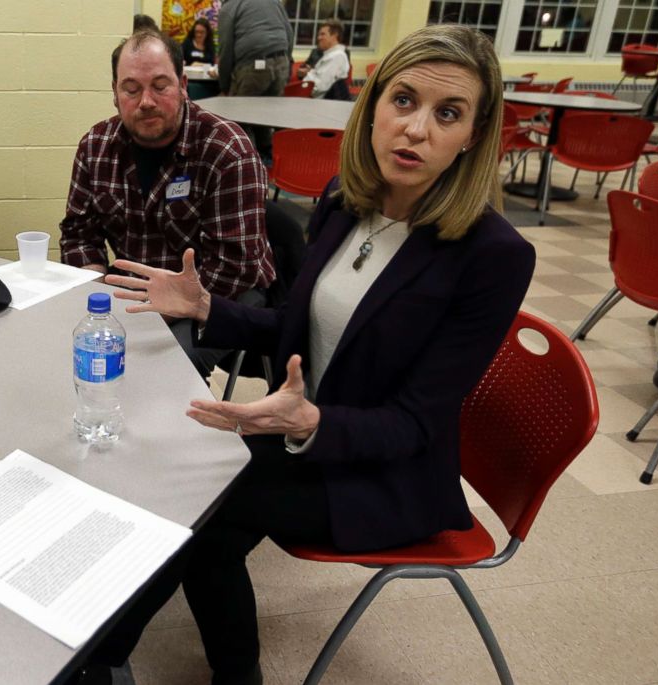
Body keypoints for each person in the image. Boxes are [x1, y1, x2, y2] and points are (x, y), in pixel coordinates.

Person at [71, 24, 536, 685]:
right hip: (310, 432)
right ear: (373, 105)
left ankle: (95, 658)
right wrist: (206, 307)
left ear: (472, 135)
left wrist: (312, 423)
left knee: (206, 505)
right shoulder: (347, 203)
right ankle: (182, 665)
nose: (417, 130)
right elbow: (297, 325)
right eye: (403, 101)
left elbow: (416, 423)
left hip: (386, 473)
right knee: (192, 486)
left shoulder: (492, 257)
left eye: (448, 113)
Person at [59, 28, 276, 378]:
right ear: (115, 95)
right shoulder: (96, 146)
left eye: (160, 86)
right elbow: (78, 235)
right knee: (77, 348)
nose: (146, 101)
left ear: (183, 85)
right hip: (137, 293)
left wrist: (163, 310)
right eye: (131, 89)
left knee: (157, 375)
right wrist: (96, 291)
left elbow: (235, 267)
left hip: (221, 296)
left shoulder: (226, 149)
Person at [216, 0, 292, 153]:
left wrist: (224, 85)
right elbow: (289, 32)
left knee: (239, 117)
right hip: (281, 61)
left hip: (253, 65)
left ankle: (247, 162)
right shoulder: (273, 2)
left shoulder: (229, 7)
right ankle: (267, 158)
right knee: (266, 116)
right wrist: (286, 61)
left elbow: (225, 48)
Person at [296, 19, 351, 100]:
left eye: (323, 34)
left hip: (322, 105)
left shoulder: (337, 57)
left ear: (335, 35)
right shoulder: (330, 55)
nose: (319, 38)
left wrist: (307, 75)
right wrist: (310, 73)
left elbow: (319, 87)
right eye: (319, 35)